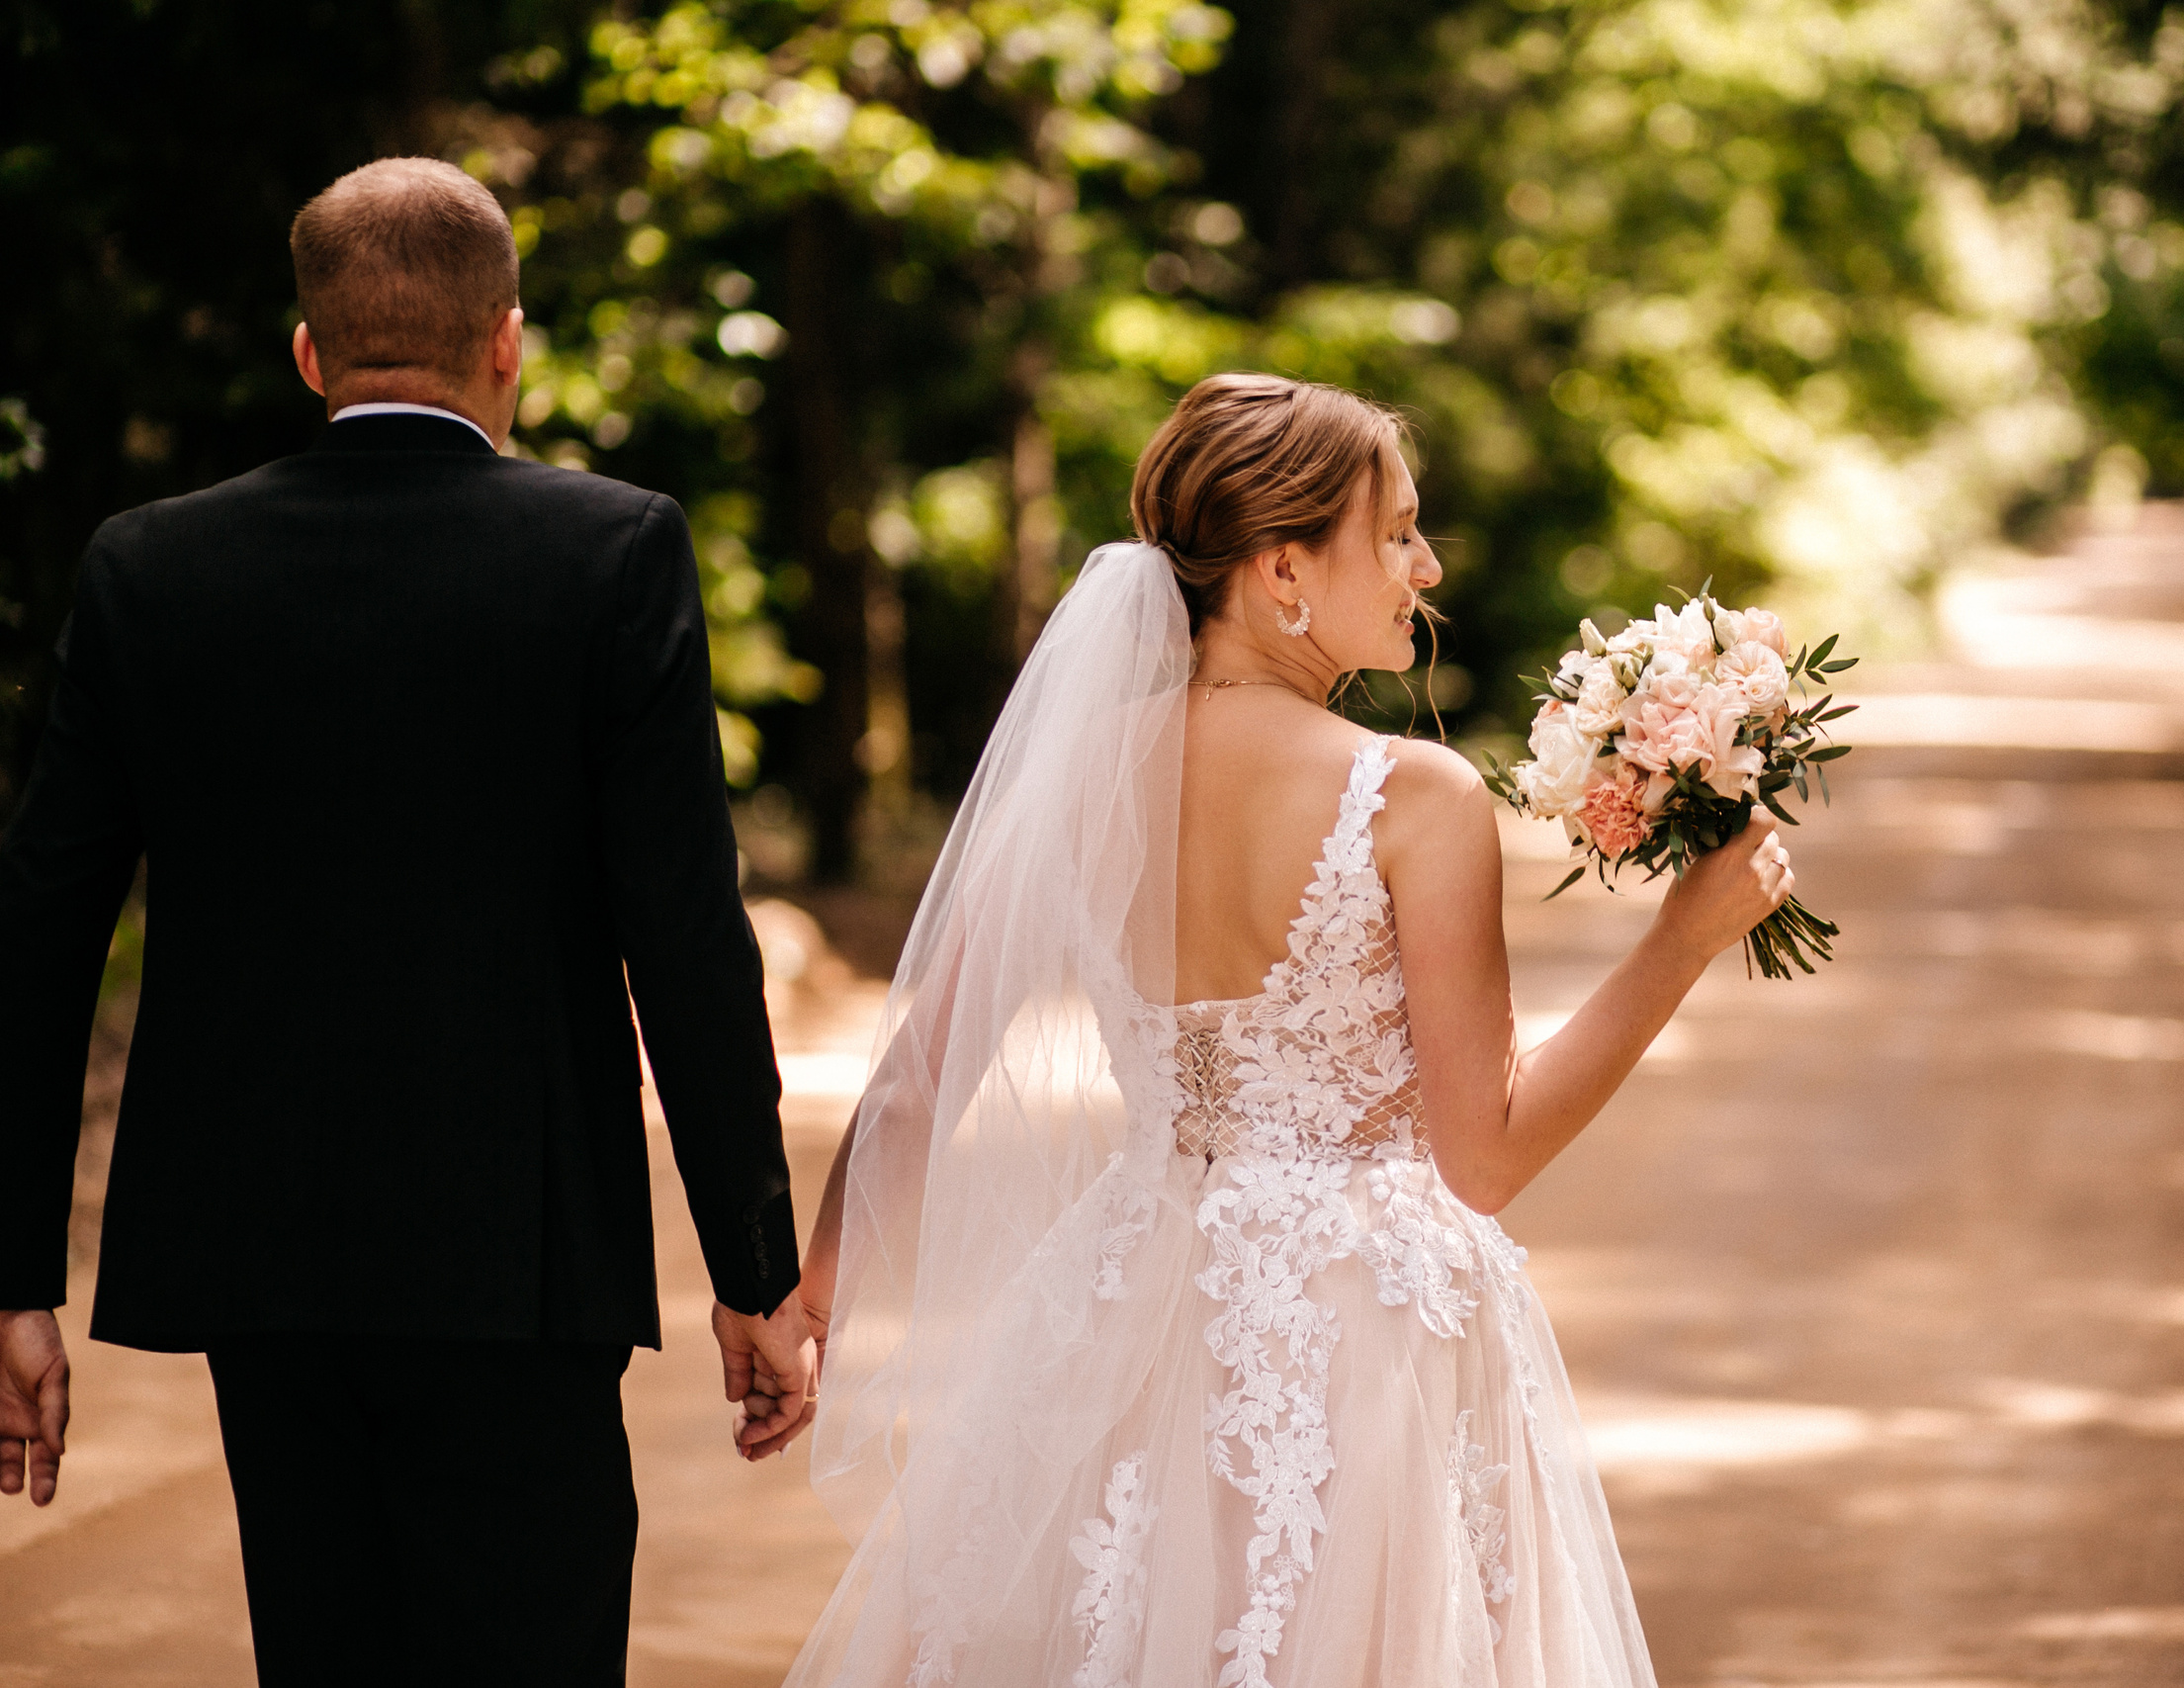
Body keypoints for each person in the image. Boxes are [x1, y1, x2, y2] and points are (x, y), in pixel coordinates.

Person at [770, 373, 1792, 1686]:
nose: (1426, 565)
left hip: (1127, 1300)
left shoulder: (1076, 779)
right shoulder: (1412, 796)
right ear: (1283, 566)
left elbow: (920, 1079)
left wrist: (815, 1293)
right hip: (1359, 1336)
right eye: (1400, 530)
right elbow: (1485, 1155)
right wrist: (1680, 943)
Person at [0, 156, 817, 1684]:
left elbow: (39, 938)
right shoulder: (613, 550)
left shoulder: (149, 566)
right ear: (508, 341)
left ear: (308, 354)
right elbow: (689, 943)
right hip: (521, 1259)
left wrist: (11, 1279)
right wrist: (755, 1276)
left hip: (260, 1255)